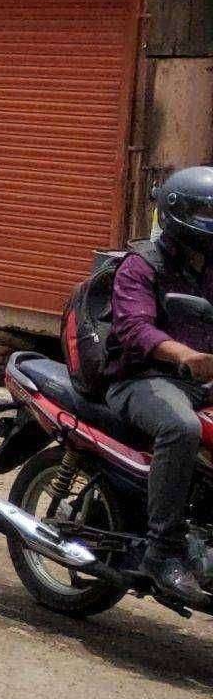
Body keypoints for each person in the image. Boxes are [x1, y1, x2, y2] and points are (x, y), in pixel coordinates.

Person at [107, 167, 213, 602]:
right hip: (143, 379)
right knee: (182, 429)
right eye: (204, 213)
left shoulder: (208, 268)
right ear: (177, 214)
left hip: (200, 383)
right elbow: (134, 329)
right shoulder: (141, 264)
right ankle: (162, 551)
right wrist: (183, 354)